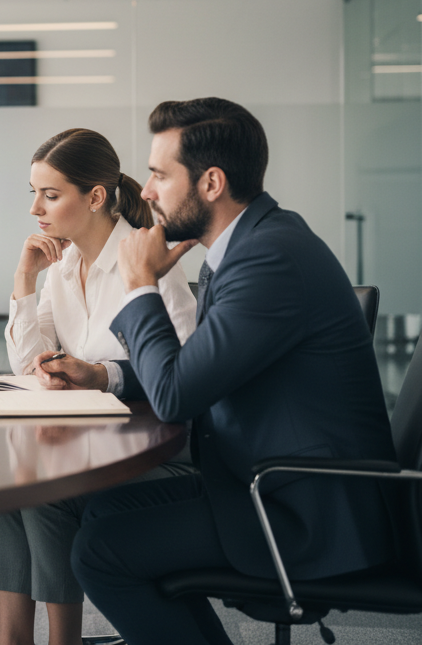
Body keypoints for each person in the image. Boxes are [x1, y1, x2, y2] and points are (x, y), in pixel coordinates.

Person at [38, 99, 397, 645]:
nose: (148, 190)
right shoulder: (250, 246)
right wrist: (105, 377)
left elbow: (178, 395)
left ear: (210, 183)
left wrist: (139, 285)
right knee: (104, 511)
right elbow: (195, 371)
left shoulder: (268, 259)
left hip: (302, 509)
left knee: (101, 552)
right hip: (264, 481)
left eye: (160, 174)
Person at [0, 128, 196, 645]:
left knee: (41, 489)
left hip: (155, 446)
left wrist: (101, 373)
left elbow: (186, 373)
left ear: (96, 197)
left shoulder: (145, 258)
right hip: (86, 437)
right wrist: (24, 280)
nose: (36, 207)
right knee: (6, 488)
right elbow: (27, 363)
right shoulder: (62, 267)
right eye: (33, 193)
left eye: (50, 195)